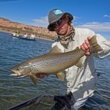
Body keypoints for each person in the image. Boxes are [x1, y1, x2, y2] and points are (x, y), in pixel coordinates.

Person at [36, 8, 110, 110]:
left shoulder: (86, 34)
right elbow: (56, 67)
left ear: (66, 19)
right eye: (54, 25)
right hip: (65, 90)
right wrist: (45, 73)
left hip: (83, 89)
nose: (57, 27)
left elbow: (107, 47)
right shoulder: (55, 45)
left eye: (59, 21)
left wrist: (92, 49)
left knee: (75, 107)